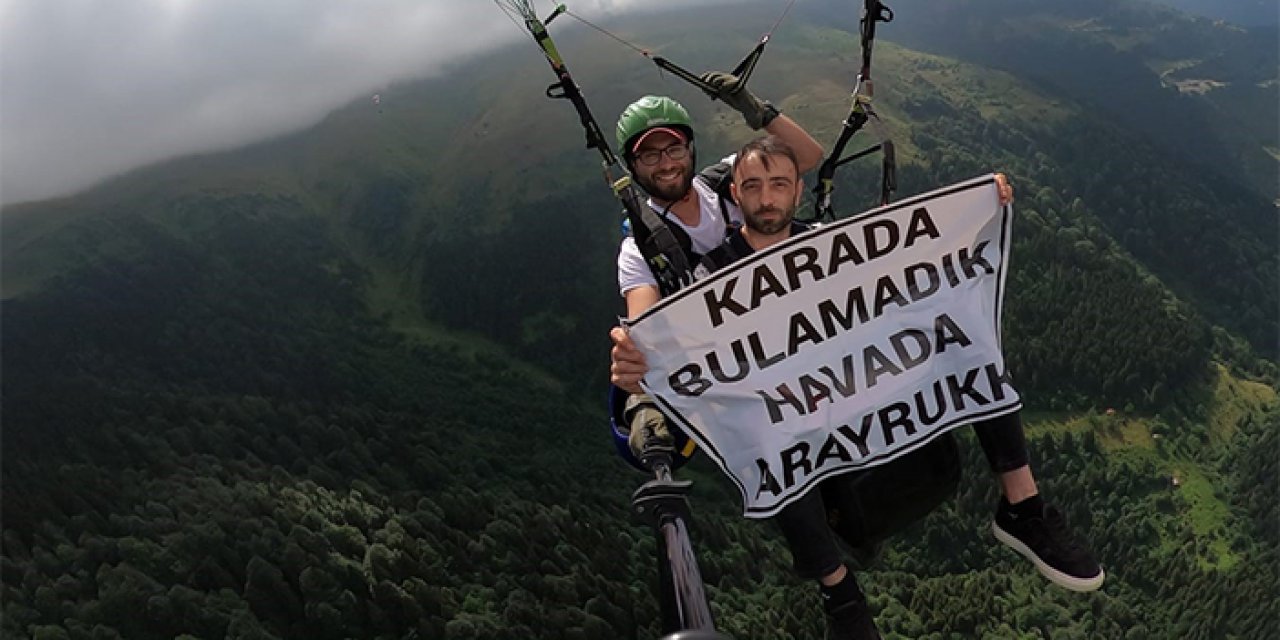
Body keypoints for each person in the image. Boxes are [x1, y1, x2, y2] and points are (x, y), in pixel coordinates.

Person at [611, 134, 1104, 638]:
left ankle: (1022, 506)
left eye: (779, 184)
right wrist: (639, 364)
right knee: (768, 446)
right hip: (796, 411)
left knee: (966, 338)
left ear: (797, 191)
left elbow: (913, 273)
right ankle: (840, 594)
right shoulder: (708, 280)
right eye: (753, 187)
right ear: (735, 197)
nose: (767, 198)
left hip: (858, 383)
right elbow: (674, 351)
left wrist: (981, 207)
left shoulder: (828, 243)